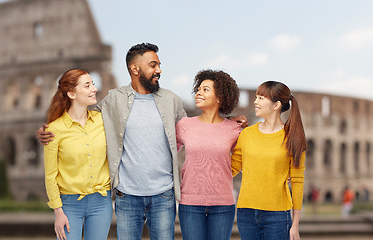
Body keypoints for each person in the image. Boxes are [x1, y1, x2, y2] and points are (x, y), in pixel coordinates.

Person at [38, 43, 247, 239]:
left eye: (159, 65)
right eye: (153, 65)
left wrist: (227, 121)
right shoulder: (114, 99)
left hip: (163, 196)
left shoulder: (171, 100)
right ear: (135, 69)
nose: (159, 70)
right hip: (127, 195)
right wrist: (48, 129)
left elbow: (196, 127)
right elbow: (81, 116)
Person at [232, 81, 306, 240]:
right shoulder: (246, 134)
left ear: (276, 105)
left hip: (278, 215)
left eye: (261, 98)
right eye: (256, 97)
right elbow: (231, 168)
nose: (255, 102)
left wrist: (295, 225)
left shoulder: (293, 137)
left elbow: (298, 181)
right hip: (246, 212)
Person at [43, 69, 112, 240]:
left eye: (93, 84)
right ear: (72, 93)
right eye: (87, 85)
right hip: (68, 205)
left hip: (101, 202)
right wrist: (58, 212)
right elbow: (50, 175)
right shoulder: (54, 130)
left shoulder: (104, 121)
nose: (94, 89)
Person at [176, 69, 242, 240]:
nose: (198, 92)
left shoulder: (234, 129)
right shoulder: (184, 125)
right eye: (198, 89)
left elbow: (245, 161)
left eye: (205, 90)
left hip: (223, 204)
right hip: (190, 203)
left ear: (220, 97)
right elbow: (166, 152)